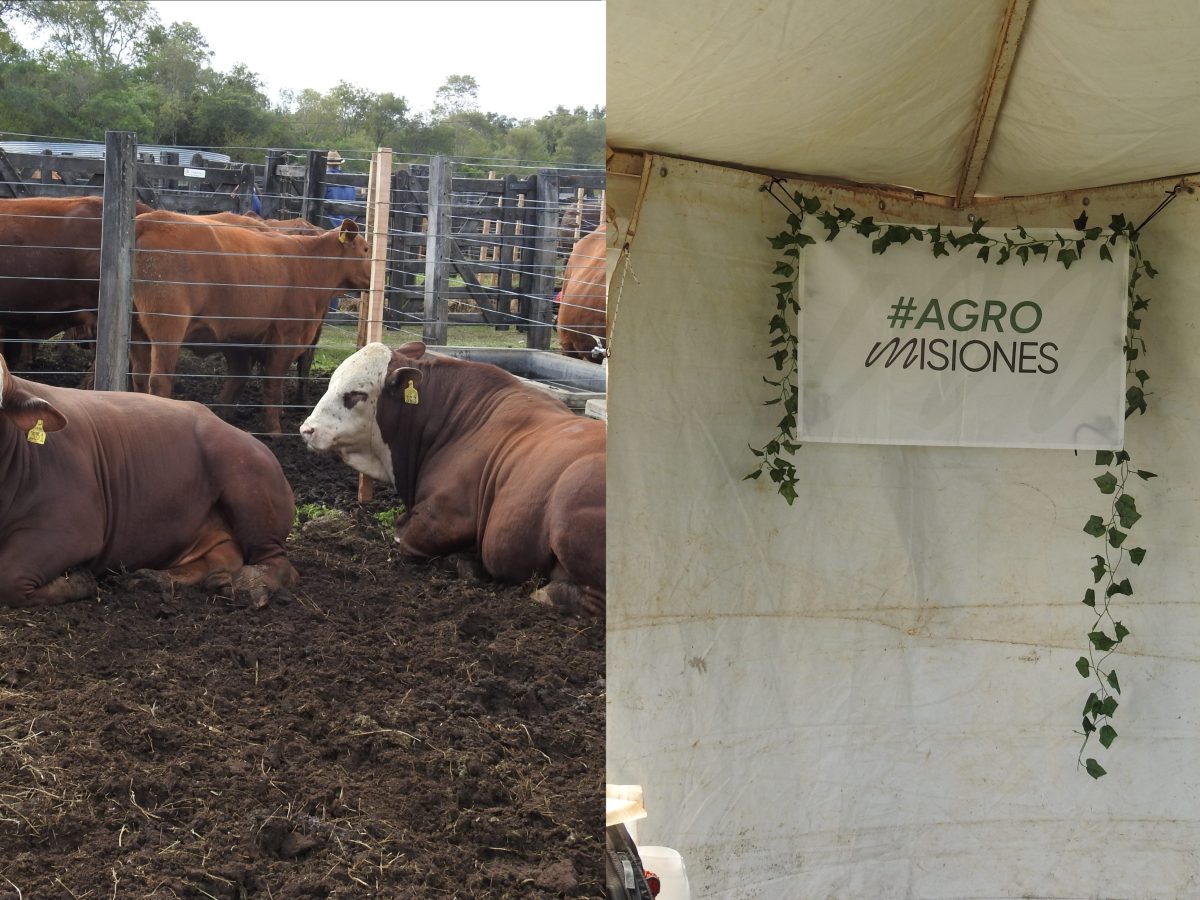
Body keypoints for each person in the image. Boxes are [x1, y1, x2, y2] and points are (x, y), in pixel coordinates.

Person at [324, 150, 360, 311]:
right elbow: (354, 208)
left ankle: (328, 307)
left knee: (325, 269)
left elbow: (320, 206)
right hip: (347, 231)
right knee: (339, 268)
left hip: (328, 229)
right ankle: (335, 305)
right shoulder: (349, 181)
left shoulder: (324, 180)